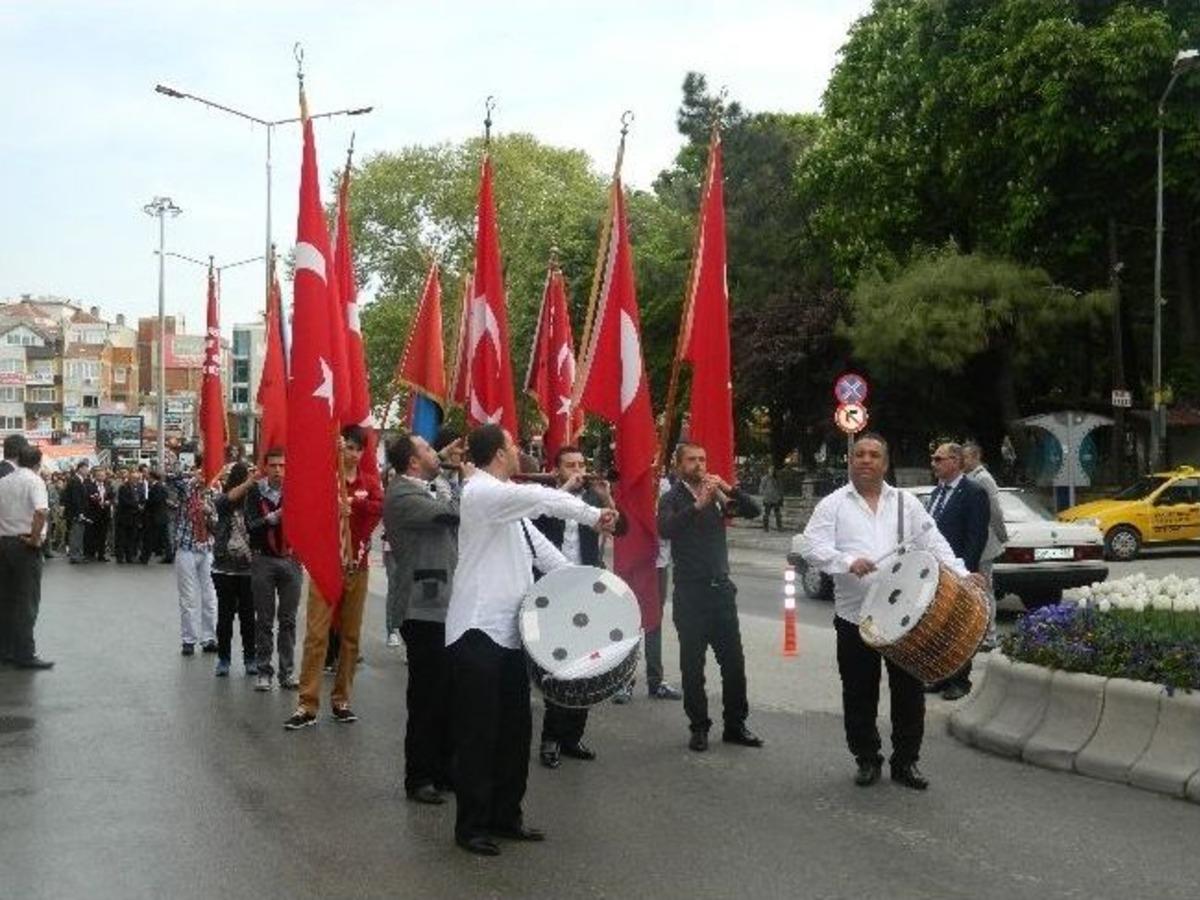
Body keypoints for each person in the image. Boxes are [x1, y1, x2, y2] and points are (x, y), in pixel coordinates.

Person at [445, 424, 617, 857]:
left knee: (515, 732)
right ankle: (471, 826)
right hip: (476, 631)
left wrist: (585, 591)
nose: (519, 450)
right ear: (500, 454)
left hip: (511, 634)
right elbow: (545, 498)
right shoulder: (482, 493)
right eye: (513, 445)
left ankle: (506, 816)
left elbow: (547, 555)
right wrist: (595, 515)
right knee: (479, 735)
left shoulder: (508, 506)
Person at [798, 433, 975, 791]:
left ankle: (906, 762)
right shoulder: (833, 504)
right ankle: (867, 758)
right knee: (859, 693)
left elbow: (934, 543)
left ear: (885, 463)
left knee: (909, 693)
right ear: (850, 460)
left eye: (873, 455)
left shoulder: (905, 504)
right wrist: (846, 561)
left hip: (906, 619)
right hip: (855, 618)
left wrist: (964, 574)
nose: (865, 460)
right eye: (859, 454)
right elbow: (811, 547)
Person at [658, 442, 763, 753]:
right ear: (678, 465)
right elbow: (665, 529)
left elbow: (753, 511)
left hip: (721, 591)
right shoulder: (671, 498)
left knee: (733, 664)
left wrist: (728, 489)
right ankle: (699, 727)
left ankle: (735, 725)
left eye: (702, 459)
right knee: (693, 666)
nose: (699, 465)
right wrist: (697, 506)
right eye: (691, 460)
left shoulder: (717, 493)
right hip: (691, 593)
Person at [532, 446, 627, 769]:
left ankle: (573, 737)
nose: (578, 470)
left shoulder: (593, 498)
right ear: (556, 470)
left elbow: (622, 528)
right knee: (558, 669)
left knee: (587, 665)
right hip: (552, 589)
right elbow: (536, 525)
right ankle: (551, 738)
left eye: (581, 464)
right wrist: (563, 492)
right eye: (570, 465)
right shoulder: (546, 496)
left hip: (587, 587)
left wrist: (607, 498)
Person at [285, 426, 383, 729]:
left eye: (357, 448)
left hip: (358, 566)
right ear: (339, 450)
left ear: (363, 453)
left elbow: (381, 507)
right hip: (327, 567)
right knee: (317, 636)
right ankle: (307, 704)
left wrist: (355, 505)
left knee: (350, 639)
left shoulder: (369, 482)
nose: (352, 453)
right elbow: (307, 507)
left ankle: (341, 700)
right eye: (347, 447)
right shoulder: (328, 482)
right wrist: (333, 508)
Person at [384, 431, 460, 803]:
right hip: (421, 607)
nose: (437, 453)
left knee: (446, 693)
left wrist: (442, 461)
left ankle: (444, 770)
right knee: (427, 697)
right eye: (428, 450)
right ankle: (419, 777)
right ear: (413, 462)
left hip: (443, 606)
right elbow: (450, 513)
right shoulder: (402, 493)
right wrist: (461, 475)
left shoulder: (420, 482)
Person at [928, 441, 991, 701]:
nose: (933, 463)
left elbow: (976, 536)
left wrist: (964, 571)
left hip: (960, 572)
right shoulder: (937, 493)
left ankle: (960, 680)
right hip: (935, 572)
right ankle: (941, 676)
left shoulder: (973, 492)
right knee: (937, 627)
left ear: (955, 461)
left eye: (938, 459)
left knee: (957, 629)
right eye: (933, 459)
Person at [246, 447, 302, 692]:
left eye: (282, 466)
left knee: (288, 620)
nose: (278, 470)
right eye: (274, 466)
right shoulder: (255, 494)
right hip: (264, 561)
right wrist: (273, 518)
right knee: (264, 620)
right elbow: (250, 526)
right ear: (265, 468)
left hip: (291, 560)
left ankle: (287, 672)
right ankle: (263, 671)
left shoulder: (297, 493)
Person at [0, 444, 52, 669]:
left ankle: (5, 650)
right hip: (24, 545)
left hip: (4, 543)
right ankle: (25, 653)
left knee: (6, 599)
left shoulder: (3, 481)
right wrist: (33, 538)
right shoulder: (34, 480)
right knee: (27, 600)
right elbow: (41, 511)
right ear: (38, 462)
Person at [211, 462, 257, 677]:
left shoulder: (255, 501)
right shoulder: (224, 500)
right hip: (224, 568)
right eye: (247, 477)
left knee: (249, 618)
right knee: (225, 616)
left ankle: (250, 658)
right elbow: (227, 500)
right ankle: (224, 658)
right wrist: (249, 483)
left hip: (250, 569)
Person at [963, 440, 1008, 653]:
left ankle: (990, 635)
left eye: (966, 457)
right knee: (977, 589)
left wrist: (1002, 535)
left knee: (985, 588)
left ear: (976, 457)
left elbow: (995, 511)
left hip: (986, 542)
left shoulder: (983, 479)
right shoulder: (971, 478)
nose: (963, 461)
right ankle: (981, 634)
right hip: (977, 542)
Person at [172, 457, 218, 657]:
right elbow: (173, 481)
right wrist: (192, 480)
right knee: (188, 597)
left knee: (210, 597)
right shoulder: (187, 489)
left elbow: (219, 522)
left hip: (207, 548)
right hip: (186, 548)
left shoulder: (215, 492)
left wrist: (210, 512)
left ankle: (209, 637)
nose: (203, 476)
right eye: (201, 472)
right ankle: (188, 639)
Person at [114, 468, 145, 564]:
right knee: (121, 538)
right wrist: (137, 505)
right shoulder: (123, 487)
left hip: (135, 517)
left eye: (137, 478)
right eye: (133, 478)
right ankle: (120, 557)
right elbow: (124, 501)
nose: (135, 480)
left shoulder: (140, 487)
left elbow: (142, 498)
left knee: (132, 538)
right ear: (130, 478)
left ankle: (129, 556)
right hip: (124, 516)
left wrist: (142, 505)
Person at [62, 461, 89, 564]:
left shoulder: (80, 480)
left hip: (78, 512)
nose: (87, 470)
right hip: (76, 513)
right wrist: (80, 512)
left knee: (79, 533)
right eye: (86, 468)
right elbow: (75, 499)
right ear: (80, 469)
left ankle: (78, 554)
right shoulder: (75, 481)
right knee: (76, 534)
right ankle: (74, 555)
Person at [84, 466, 112, 562]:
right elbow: (87, 498)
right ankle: (90, 553)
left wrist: (109, 501)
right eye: (99, 475)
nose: (101, 477)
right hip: (93, 513)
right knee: (91, 534)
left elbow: (111, 496)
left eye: (102, 475)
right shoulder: (90, 486)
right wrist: (93, 499)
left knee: (102, 535)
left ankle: (101, 554)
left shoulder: (108, 485)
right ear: (95, 476)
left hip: (104, 514)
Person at [758, 466, 784, 532]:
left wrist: (780, 497)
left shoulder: (777, 479)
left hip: (776, 499)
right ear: (768, 470)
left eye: (773, 470)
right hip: (767, 499)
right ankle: (765, 528)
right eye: (770, 470)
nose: (772, 471)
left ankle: (779, 527)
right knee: (766, 514)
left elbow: (780, 488)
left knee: (778, 514)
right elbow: (761, 488)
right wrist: (764, 494)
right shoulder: (765, 478)